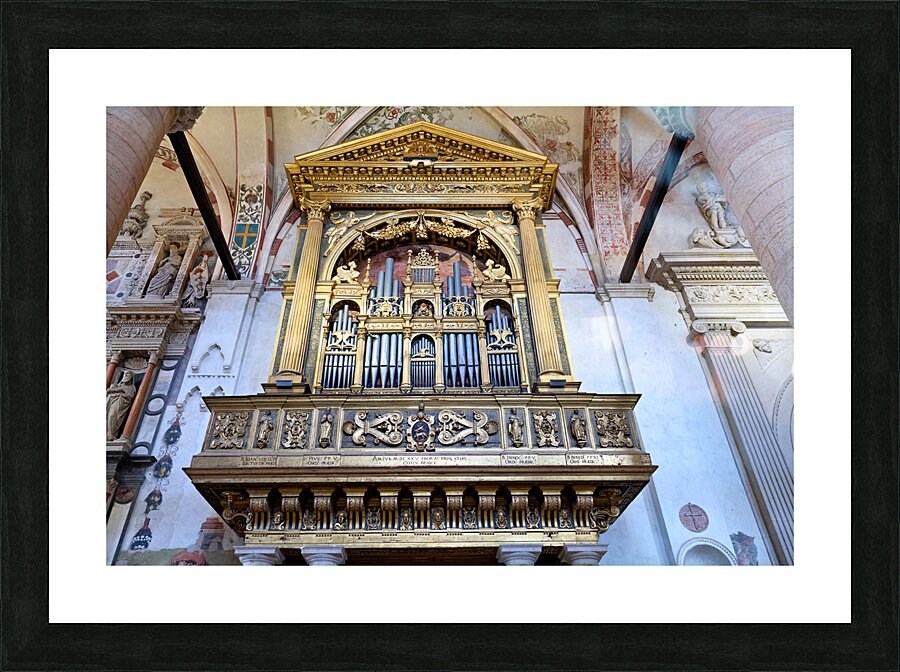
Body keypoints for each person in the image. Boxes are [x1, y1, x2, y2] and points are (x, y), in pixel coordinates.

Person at [106, 370, 136, 440]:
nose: (125, 376)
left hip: (120, 402)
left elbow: (130, 395)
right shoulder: (117, 385)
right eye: (125, 374)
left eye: (128, 374)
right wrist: (119, 389)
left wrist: (118, 390)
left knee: (112, 416)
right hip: (110, 401)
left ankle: (111, 434)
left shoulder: (131, 387)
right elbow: (108, 391)